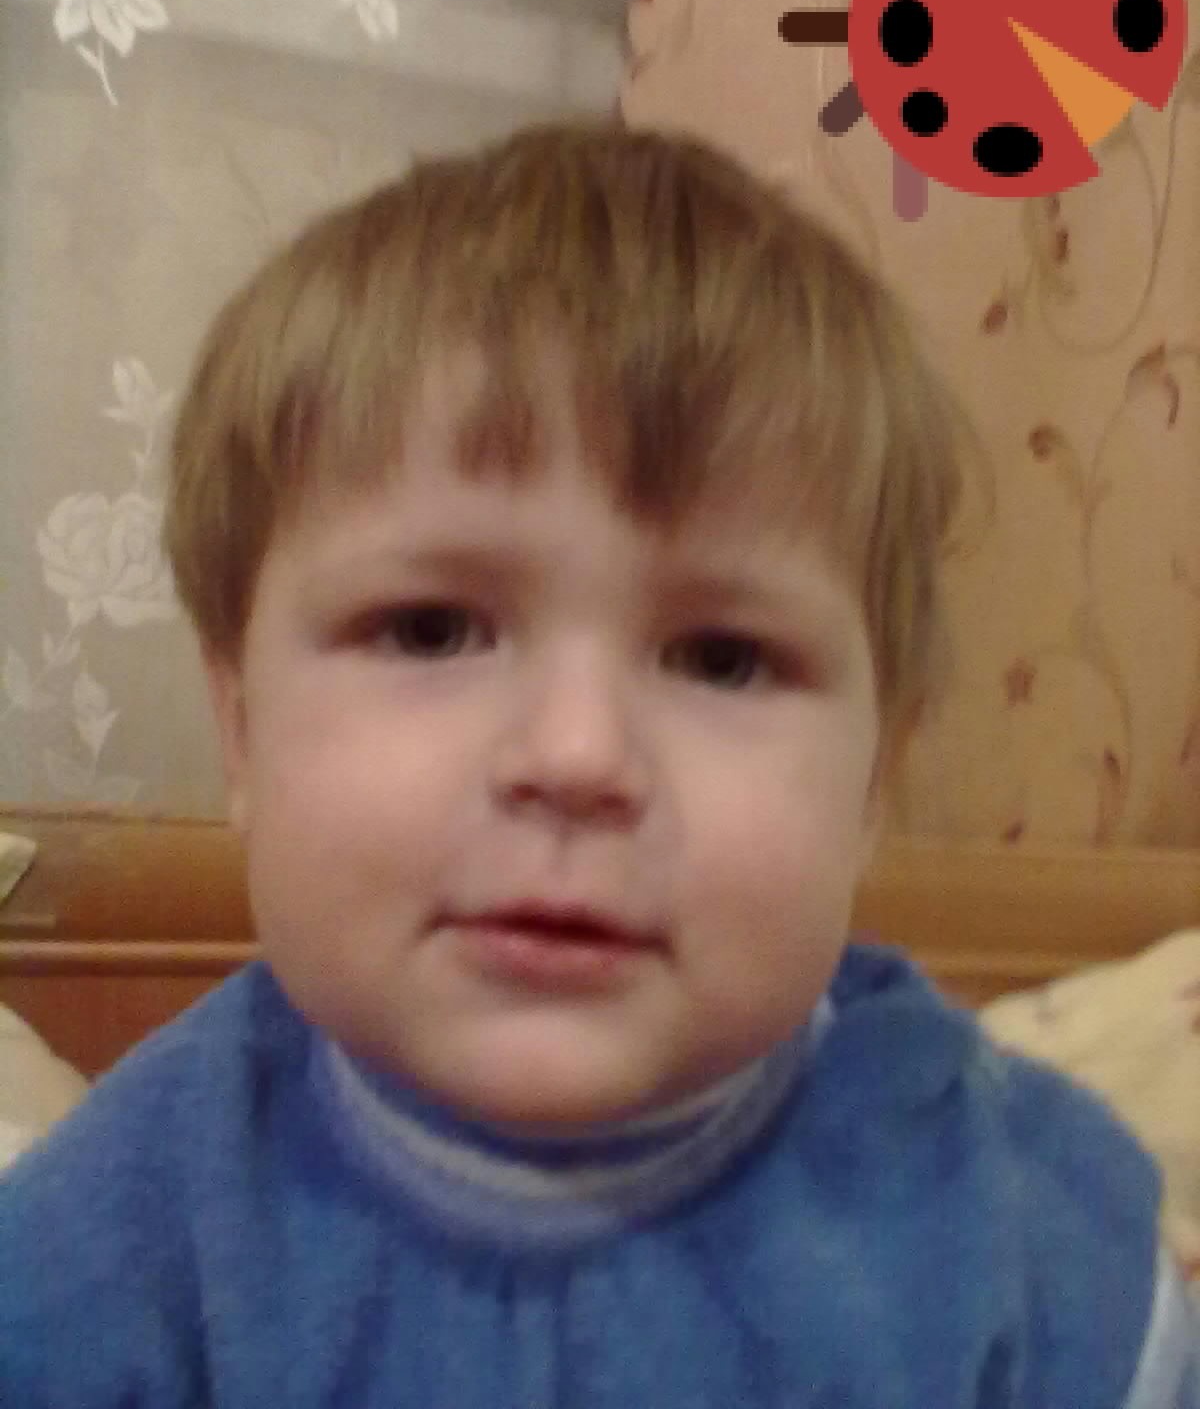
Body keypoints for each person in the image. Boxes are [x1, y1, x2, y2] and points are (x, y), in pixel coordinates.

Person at [0, 123, 1195, 1406]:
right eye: (431, 629)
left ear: (872, 781)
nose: (577, 755)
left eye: (723, 658)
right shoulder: (110, 1247)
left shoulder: (1026, 1241)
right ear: (241, 728)